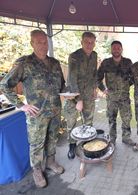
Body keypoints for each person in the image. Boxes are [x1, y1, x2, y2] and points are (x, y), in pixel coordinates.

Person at [0, 30, 65, 188]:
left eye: (45, 42)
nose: (43, 45)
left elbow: (62, 85)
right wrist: (21, 105)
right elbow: (5, 85)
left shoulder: (55, 63)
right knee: (36, 144)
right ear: (32, 44)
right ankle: (37, 170)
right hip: (37, 114)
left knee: (52, 138)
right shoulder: (25, 63)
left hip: (55, 110)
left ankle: (50, 161)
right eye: (39, 42)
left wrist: (68, 94)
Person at [64, 32, 98, 159]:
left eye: (92, 42)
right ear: (81, 42)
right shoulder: (74, 56)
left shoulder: (94, 55)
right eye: (86, 42)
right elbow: (72, 79)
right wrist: (79, 99)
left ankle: (87, 143)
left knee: (88, 120)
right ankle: (72, 145)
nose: (89, 45)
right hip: (74, 95)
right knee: (72, 121)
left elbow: (94, 73)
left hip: (89, 93)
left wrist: (95, 89)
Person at [97, 41, 135, 146]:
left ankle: (126, 138)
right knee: (111, 119)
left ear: (122, 49)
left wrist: (126, 86)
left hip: (124, 97)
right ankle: (112, 139)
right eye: (114, 48)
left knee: (126, 118)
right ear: (111, 49)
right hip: (111, 98)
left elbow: (133, 77)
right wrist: (103, 89)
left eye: (118, 48)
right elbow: (97, 77)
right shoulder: (106, 63)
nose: (116, 50)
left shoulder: (128, 62)